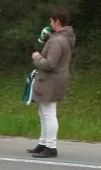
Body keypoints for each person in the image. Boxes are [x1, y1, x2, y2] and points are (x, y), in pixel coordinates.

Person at [28, 8, 75, 158]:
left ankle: (51, 146)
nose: (50, 23)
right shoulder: (61, 38)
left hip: (52, 80)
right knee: (43, 112)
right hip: (53, 79)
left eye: (51, 21)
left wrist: (36, 57)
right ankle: (43, 143)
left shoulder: (57, 40)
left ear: (57, 22)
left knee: (49, 113)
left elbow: (50, 64)